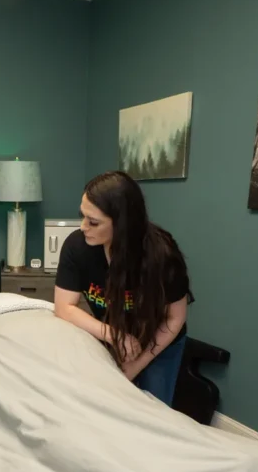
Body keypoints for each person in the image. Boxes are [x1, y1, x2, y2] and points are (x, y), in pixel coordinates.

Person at [53, 170, 193, 407]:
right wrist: (114, 336)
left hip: (159, 340)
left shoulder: (162, 255)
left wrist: (134, 367)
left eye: (93, 222)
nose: (83, 226)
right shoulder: (77, 246)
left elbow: (175, 317)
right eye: (82, 216)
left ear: (122, 223)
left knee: (151, 410)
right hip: (113, 334)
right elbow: (64, 307)